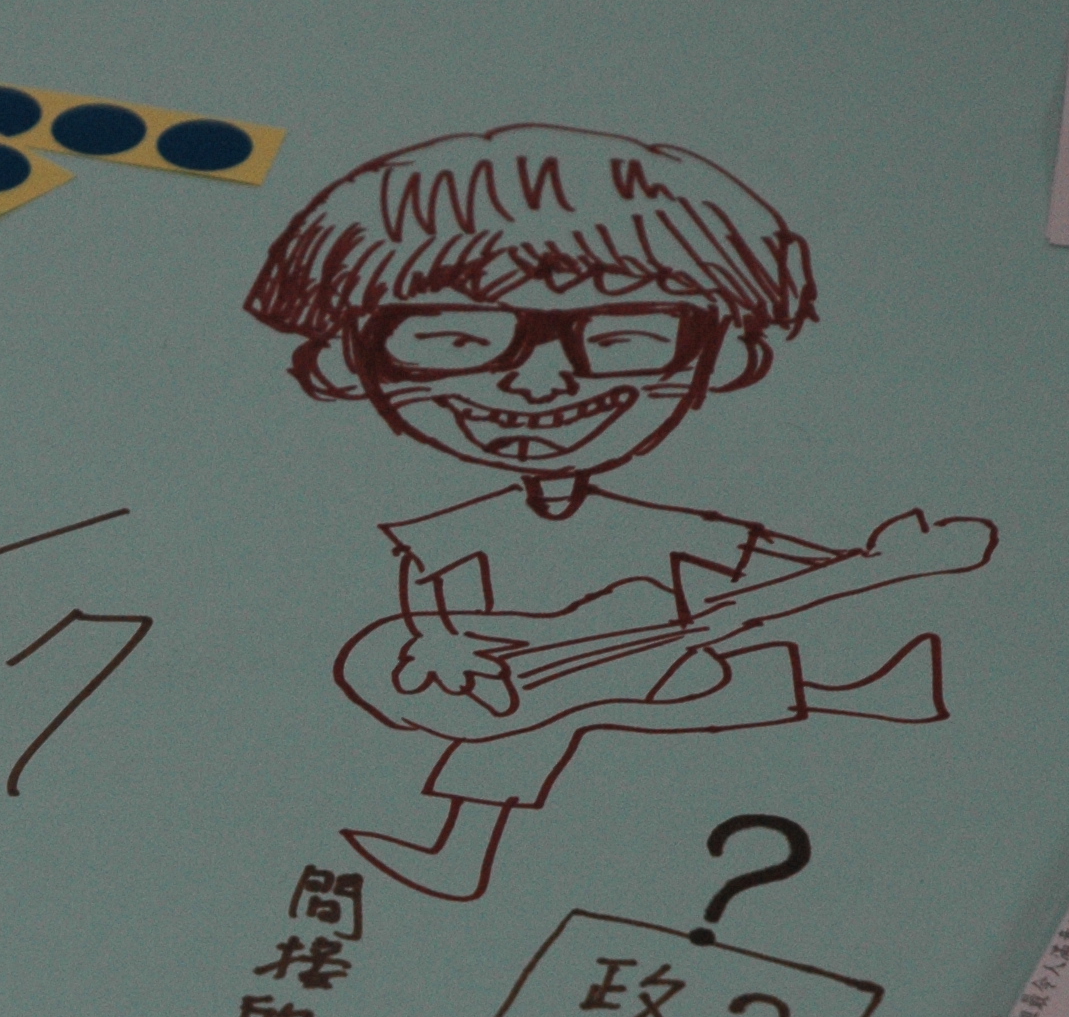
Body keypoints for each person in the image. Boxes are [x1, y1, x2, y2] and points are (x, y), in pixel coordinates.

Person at [245, 124, 995, 901]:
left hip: (640, 666)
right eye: (457, 337)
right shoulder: (456, 528)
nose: (540, 383)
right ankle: (870, 692)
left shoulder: (657, 527)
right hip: (552, 672)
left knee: (583, 702)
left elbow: (760, 559)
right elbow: (432, 600)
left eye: (622, 337)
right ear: (347, 356)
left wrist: (875, 567)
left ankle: (461, 850)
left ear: (721, 354)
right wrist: (440, 646)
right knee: (560, 707)